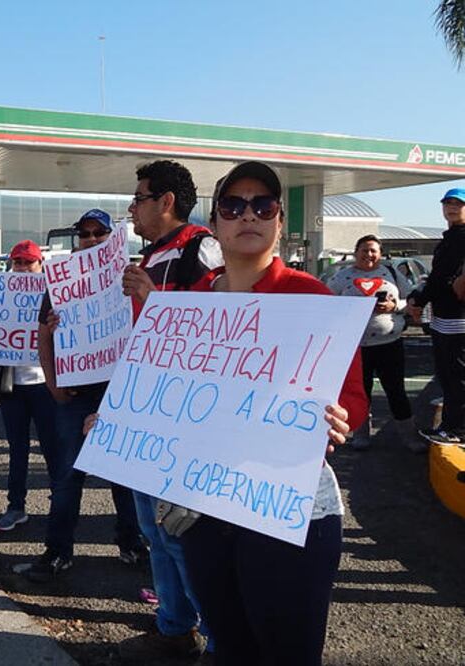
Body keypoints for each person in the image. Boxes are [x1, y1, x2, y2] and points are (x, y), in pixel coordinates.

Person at [181, 161, 367, 665]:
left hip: (287, 510)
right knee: (230, 648)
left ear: (280, 222)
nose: (249, 215)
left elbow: (352, 396)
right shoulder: (190, 304)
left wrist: (339, 419)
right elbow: (162, 390)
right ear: (214, 223)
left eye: (263, 206)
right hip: (204, 509)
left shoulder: (312, 297)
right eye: (233, 206)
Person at [117, 159, 223, 661]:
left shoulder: (201, 248)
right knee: (154, 531)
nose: (131, 209)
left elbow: (218, 329)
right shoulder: (152, 254)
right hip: (145, 410)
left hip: (183, 416)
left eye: (138, 198)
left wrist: (152, 296)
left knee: (180, 532)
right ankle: (175, 627)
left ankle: (220, 641)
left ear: (166, 202)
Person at [21, 209, 147, 582]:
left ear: (111, 237)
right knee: (66, 474)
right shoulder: (62, 282)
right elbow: (43, 336)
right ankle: (58, 551)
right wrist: (52, 384)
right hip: (75, 394)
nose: (91, 239)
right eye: (85, 233)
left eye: (98, 233)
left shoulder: (130, 278)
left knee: (124, 474)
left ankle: (131, 542)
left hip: (119, 393)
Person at [327, 235, 422, 451]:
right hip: (355, 347)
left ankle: (410, 437)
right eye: (364, 250)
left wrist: (394, 306)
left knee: (396, 392)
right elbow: (326, 302)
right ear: (356, 252)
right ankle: (361, 435)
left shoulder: (392, 273)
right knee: (361, 393)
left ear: (380, 254)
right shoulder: (342, 277)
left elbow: (412, 299)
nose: (369, 255)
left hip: (390, 344)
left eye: (373, 251)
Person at [0, 240, 60, 532]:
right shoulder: (0, 293)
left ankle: (60, 504)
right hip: (13, 385)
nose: (21, 268)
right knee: (17, 449)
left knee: (52, 447)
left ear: (40, 264)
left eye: (28, 262)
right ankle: (15, 506)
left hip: (45, 383)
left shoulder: (55, 293)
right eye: (17, 262)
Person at [408, 188, 465, 445]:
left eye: (458, 204)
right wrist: (419, 297)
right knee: (448, 376)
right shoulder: (450, 238)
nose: (451, 208)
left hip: (459, 320)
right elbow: (437, 278)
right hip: (445, 318)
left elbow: (442, 279)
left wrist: (420, 299)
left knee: (457, 377)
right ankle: (450, 426)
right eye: (447, 203)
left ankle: (457, 430)